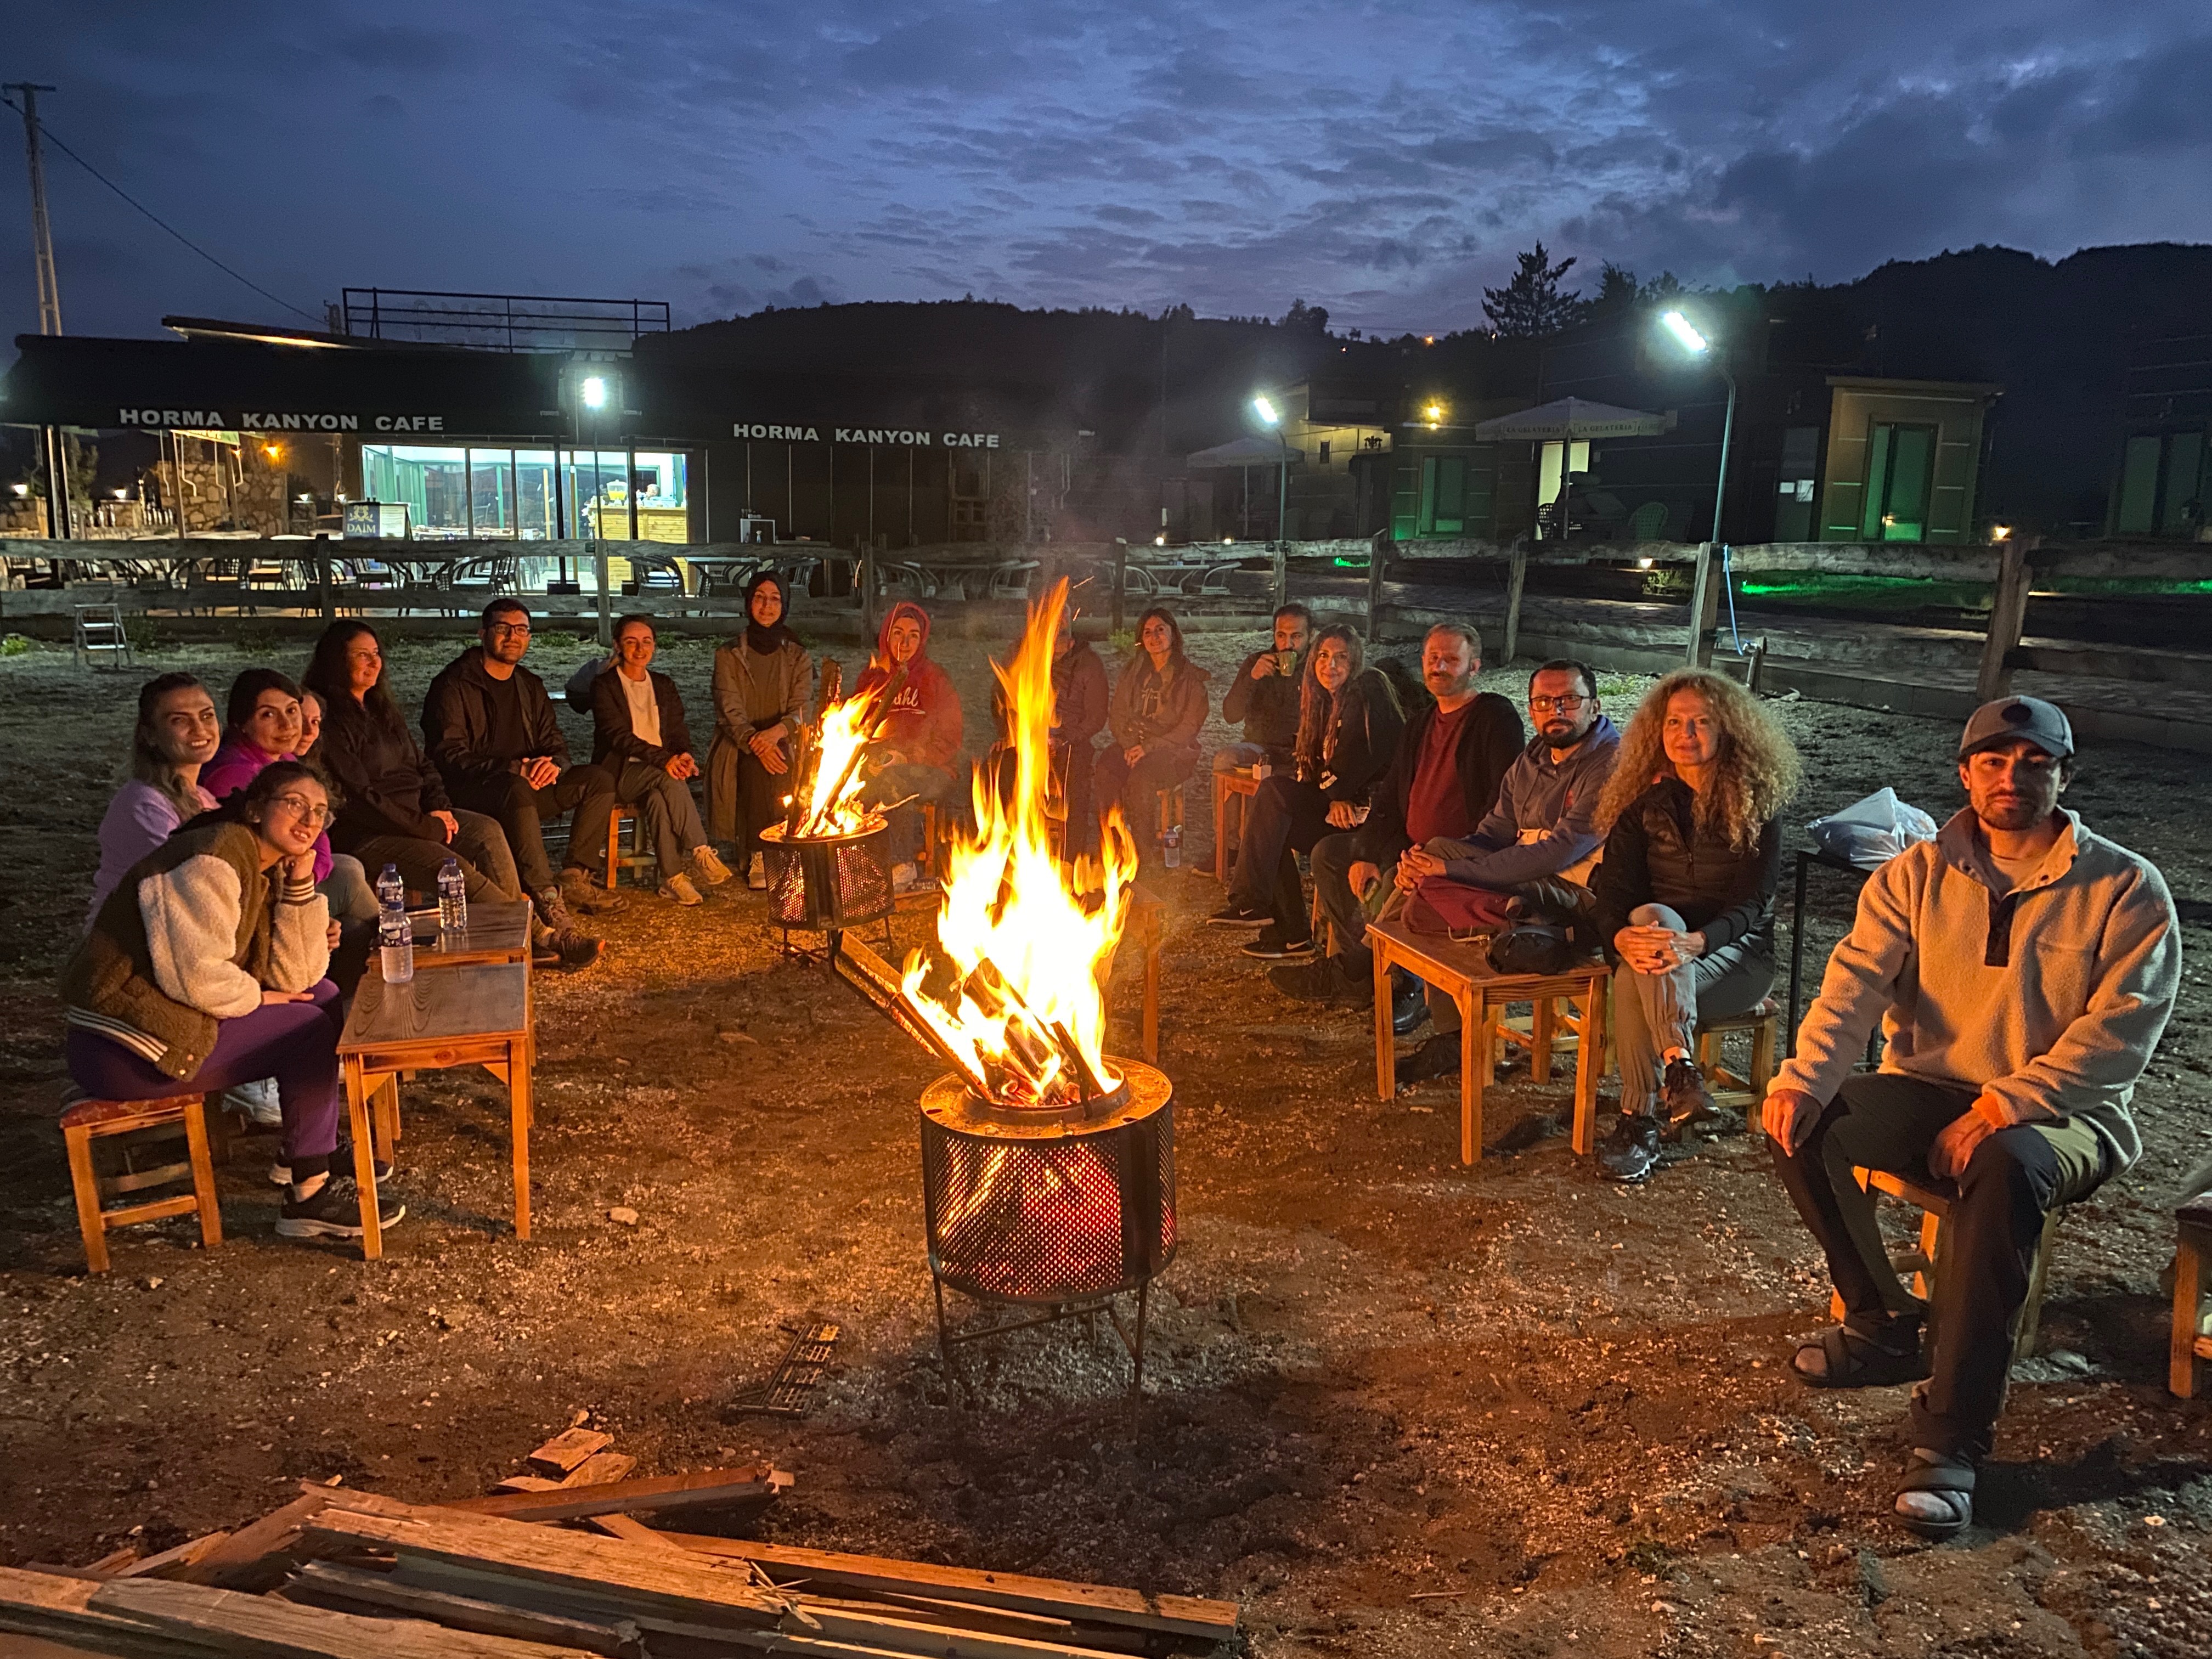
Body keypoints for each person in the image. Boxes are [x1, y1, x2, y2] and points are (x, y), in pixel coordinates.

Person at [1764, 696, 2179, 1540]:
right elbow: (1852, 988)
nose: (2012, 778)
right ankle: (1883, 1322)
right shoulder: (1914, 876)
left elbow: (2121, 1034)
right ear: (1965, 772)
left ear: (2065, 776)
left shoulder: (2126, 888)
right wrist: (1804, 1078)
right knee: (1801, 1123)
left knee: (2005, 1166)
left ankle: (1952, 1437)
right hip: (1936, 1087)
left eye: (2035, 763)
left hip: (2066, 1111)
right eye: (1994, 761)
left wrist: (2005, 1106)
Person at [60, 761, 403, 1242]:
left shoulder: (264, 869)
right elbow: (196, 978)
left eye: (320, 813)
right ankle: (309, 1193)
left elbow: (300, 976)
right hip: (122, 1046)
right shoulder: (214, 858)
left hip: (165, 1025)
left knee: (321, 998)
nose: (308, 820)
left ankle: (304, 1149)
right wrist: (260, 997)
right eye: (295, 804)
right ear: (257, 808)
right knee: (308, 1031)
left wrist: (302, 885)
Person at [1589, 668, 1800, 1183]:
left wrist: (1698, 942)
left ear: (1728, 729)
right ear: (1658, 734)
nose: (1687, 734)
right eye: (1675, 722)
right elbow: (1610, 898)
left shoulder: (1756, 808)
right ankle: (1680, 1070)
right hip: (1660, 953)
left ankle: (1638, 1120)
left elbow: (1755, 902)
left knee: (1636, 973)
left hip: (1737, 956)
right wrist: (1620, 937)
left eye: (1702, 722)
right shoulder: (1642, 810)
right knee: (1649, 924)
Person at [302, 622, 598, 969]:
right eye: (361, 655)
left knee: (486, 831)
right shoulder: (330, 720)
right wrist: (426, 828)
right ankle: (542, 935)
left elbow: (423, 765)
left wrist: (440, 808)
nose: (373, 662)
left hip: (418, 816)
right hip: (372, 832)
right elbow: (360, 796)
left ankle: (511, 935)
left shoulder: (380, 709)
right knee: (454, 868)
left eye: (376, 654)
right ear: (336, 660)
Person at [1269, 623, 1522, 1018]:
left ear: (1474, 666)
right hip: (1407, 842)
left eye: (1451, 659)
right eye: (1433, 658)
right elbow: (1389, 798)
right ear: (1422, 662)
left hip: (1463, 853)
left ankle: (1398, 984)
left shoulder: (1493, 717)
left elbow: (1502, 801)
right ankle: (1368, 971)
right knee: (1329, 855)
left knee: (1393, 880)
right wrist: (1367, 851)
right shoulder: (1421, 723)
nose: (1439, 666)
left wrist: (1458, 853)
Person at [1390, 659, 1622, 1082]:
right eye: (1543, 702)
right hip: (1525, 881)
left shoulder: (1609, 764)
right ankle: (1466, 926)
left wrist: (1452, 871)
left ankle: (1425, 983)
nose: (1555, 710)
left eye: (1568, 699)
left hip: (1577, 896)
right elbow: (1494, 832)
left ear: (1594, 706)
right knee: (1437, 851)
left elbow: (1559, 852)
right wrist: (1433, 862)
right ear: (1531, 709)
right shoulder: (1530, 761)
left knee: (1436, 887)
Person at [422, 598, 624, 923]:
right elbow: (449, 754)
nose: (512, 636)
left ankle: (573, 877)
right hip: (476, 793)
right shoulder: (454, 685)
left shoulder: (530, 685)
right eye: (503, 628)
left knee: (597, 780)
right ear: (483, 633)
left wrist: (554, 764)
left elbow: (554, 742)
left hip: (529, 788)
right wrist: (514, 768)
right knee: (515, 786)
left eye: (521, 630)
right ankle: (545, 895)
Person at [1209, 625, 1402, 960]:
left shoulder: (1366, 692)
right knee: (1273, 813)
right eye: (1324, 657)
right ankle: (1288, 932)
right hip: (1342, 811)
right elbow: (1314, 771)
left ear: (1355, 660)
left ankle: (1256, 905)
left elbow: (1345, 774)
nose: (1331, 665)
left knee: (1274, 799)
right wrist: (1333, 790)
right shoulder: (1323, 703)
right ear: (1313, 661)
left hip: (1372, 821)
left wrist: (1336, 789)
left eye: (1341, 657)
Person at [203, 668, 376, 927]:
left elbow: (316, 832)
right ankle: (394, 943)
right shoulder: (233, 776)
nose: (288, 725)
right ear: (242, 724)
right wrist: (305, 877)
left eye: (292, 711)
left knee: (349, 869)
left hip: (294, 875)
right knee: (349, 880)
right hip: (258, 894)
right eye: (269, 715)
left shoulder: (284, 761)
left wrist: (313, 870)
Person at [591, 614, 731, 906]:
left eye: (646, 642)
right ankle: (700, 849)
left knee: (658, 797)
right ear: (618, 645)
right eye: (631, 642)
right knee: (667, 777)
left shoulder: (663, 684)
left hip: (658, 771)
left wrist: (683, 755)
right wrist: (666, 761)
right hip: (620, 772)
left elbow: (678, 729)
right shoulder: (604, 686)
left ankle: (672, 878)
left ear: (654, 645)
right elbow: (618, 736)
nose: (640, 649)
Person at [86, 674, 221, 929]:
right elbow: (188, 884)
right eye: (179, 720)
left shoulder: (203, 798)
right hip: (130, 947)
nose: (200, 729)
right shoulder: (142, 804)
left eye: (207, 716)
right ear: (150, 735)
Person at [708, 572, 812, 889]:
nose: (767, 606)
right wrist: (757, 742)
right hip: (738, 742)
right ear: (749, 602)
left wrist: (776, 734)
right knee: (755, 765)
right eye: (760, 597)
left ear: (785, 604)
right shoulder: (729, 655)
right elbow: (730, 710)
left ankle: (784, 849)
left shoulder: (797, 655)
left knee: (783, 764)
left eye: (775, 598)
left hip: (784, 740)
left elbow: (800, 708)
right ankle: (758, 853)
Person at [855, 600, 963, 891]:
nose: (905, 642)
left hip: (931, 769)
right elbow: (854, 729)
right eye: (898, 633)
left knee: (894, 781)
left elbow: (950, 737)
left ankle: (901, 865)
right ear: (886, 636)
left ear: (922, 638)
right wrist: (872, 757)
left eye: (913, 635)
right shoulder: (872, 678)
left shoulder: (935, 678)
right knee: (856, 784)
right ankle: (858, 862)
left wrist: (910, 756)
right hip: (882, 763)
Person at [1095, 606, 1210, 868]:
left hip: (1173, 752)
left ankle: (1142, 853)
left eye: (1160, 630)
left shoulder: (1189, 678)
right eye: (1147, 632)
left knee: (1141, 779)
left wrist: (1147, 748)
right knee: (1105, 769)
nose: (1154, 637)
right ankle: (1112, 844)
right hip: (1133, 745)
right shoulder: (1134, 671)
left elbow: (1189, 727)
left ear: (1173, 633)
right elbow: (1118, 714)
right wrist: (1130, 745)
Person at [1215, 603, 1312, 776]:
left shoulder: (1318, 668)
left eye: (1296, 636)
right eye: (1281, 635)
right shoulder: (1256, 662)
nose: (1287, 644)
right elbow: (1231, 715)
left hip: (1302, 750)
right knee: (1225, 759)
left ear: (1311, 636)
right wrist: (1252, 678)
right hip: (1259, 747)